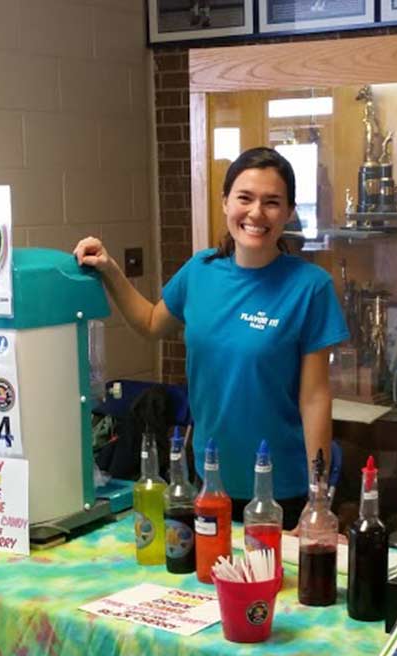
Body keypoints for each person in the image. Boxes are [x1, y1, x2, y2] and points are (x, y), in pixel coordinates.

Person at [74, 147, 348, 528]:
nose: (256, 213)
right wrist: (109, 270)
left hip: (280, 490)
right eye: (245, 198)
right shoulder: (200, 271)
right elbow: (150, 323)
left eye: (272, 202)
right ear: (225, 202)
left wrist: (318, 500)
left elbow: (315, 398)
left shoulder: (310, 287)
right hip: (209, 480)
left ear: (288, 212)